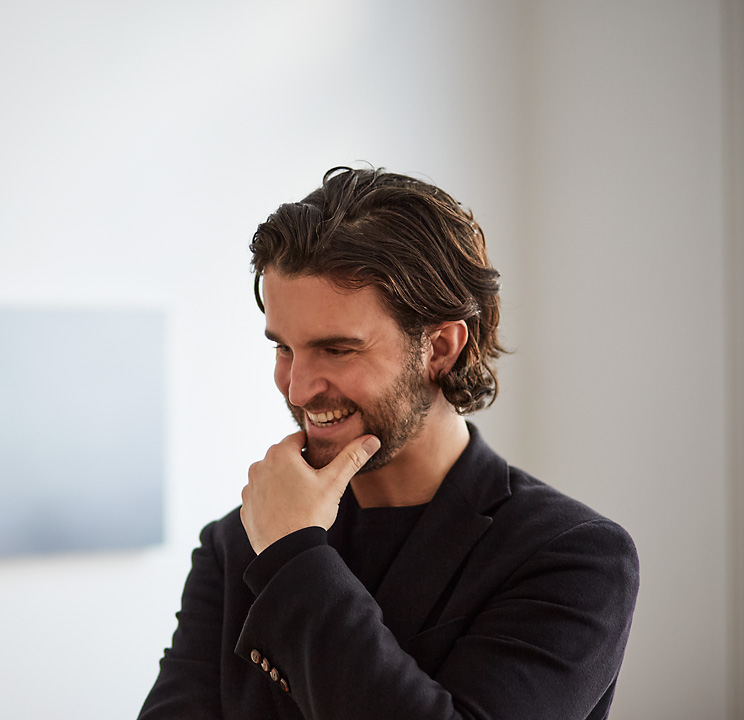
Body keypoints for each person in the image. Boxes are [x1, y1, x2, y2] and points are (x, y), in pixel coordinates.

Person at [138, 166, 639, 720]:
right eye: (284, 348)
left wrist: (293, 560)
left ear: (440, 348)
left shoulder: (573, 557)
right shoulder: (237, 543)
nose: (298, 388)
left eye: (337, 350)